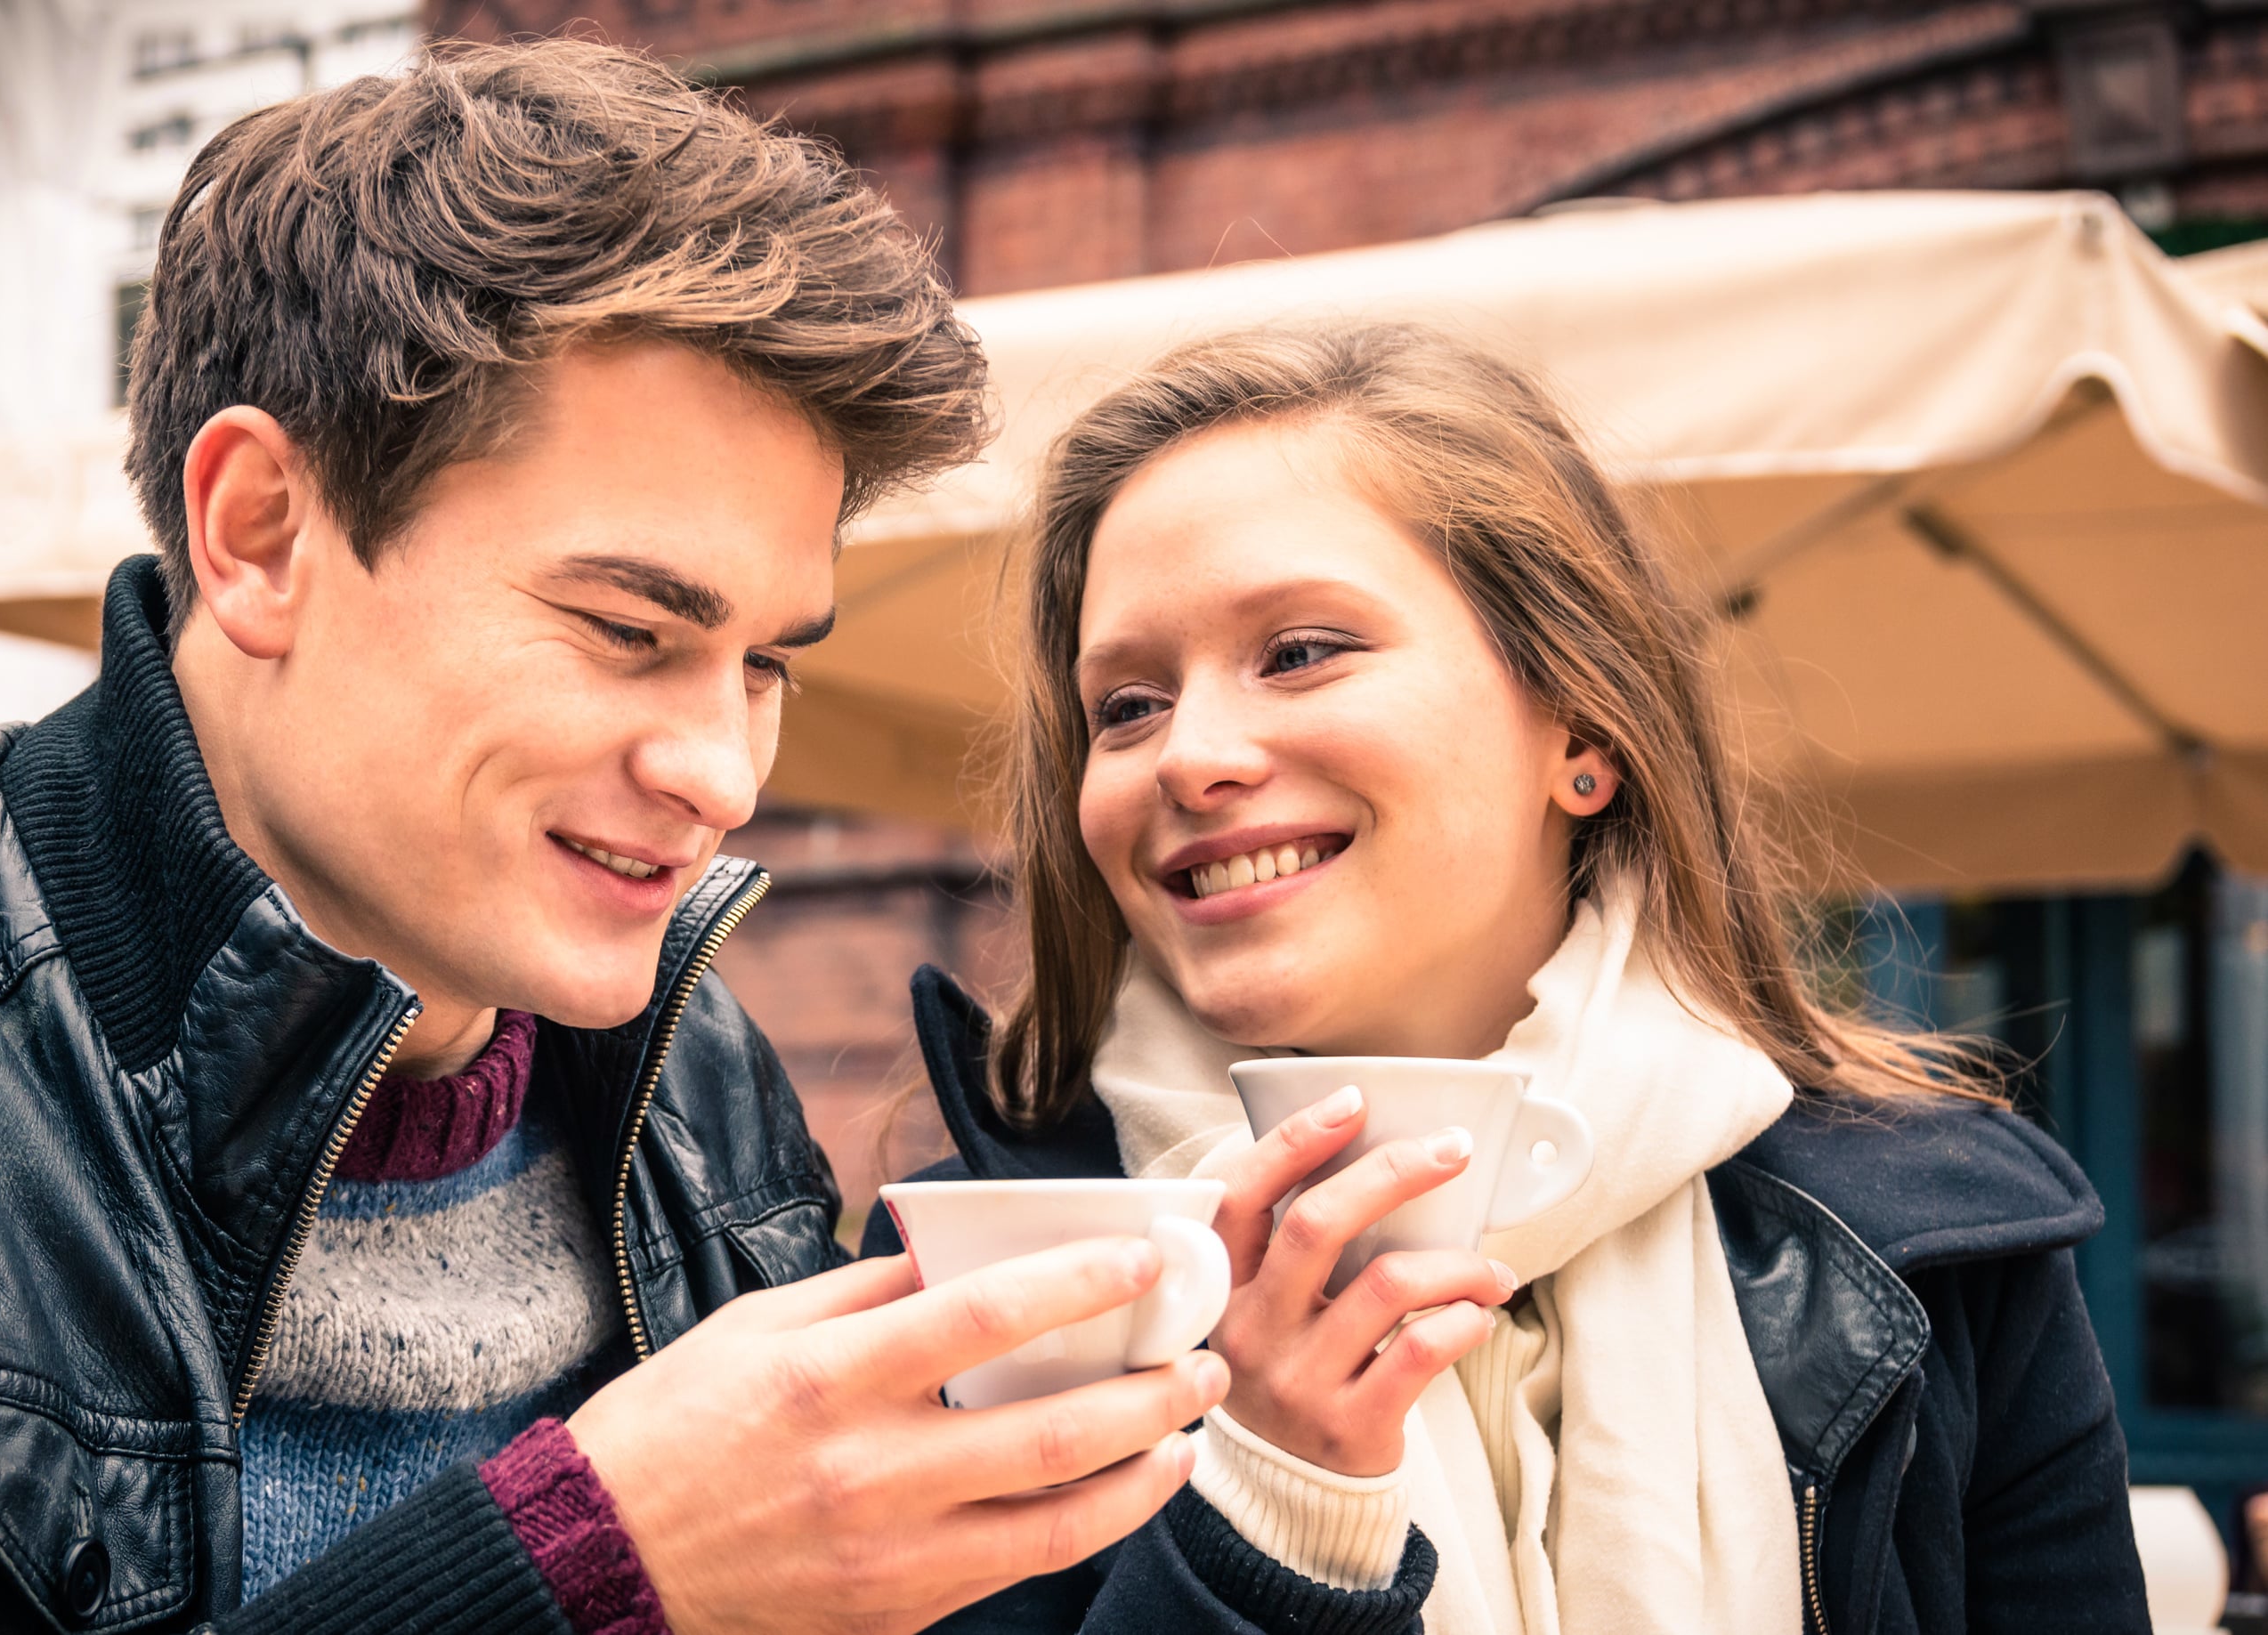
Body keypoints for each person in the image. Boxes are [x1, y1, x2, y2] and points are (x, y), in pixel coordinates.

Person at [0, 41, 1235, 1635]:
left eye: (765, 662)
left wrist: (1283, 1491)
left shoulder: (693, 1078)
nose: (723, 773)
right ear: (262, 532)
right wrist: (581, 1567)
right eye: (628, 626)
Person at [866, 322, 2151, 1632]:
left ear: (1581, 731)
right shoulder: (988, 1275)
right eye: (1125, 704)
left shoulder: (1944, 1244)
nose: (1188, 755)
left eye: (1300, 650)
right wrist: (1271, 1509)